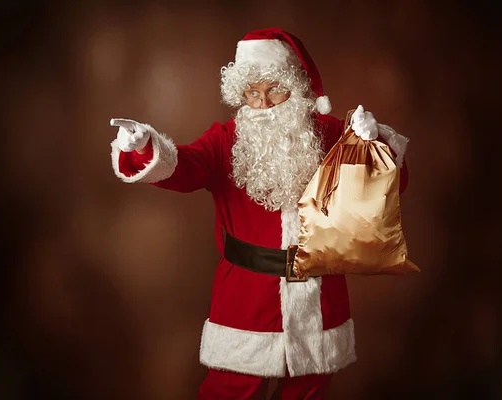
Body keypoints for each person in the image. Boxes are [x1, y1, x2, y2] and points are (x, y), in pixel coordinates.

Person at [110, 28, 408, 400]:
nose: (263, 104)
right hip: (246, 299)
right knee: (232, 392)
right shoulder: (225, 139)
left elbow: (384, 189)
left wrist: (372, 144)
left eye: (274, 90)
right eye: (252, 93)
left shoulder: (331, 134)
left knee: (308, 391)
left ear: (297, 89)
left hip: (320, 297)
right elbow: (183, 166)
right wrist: (144, 146)